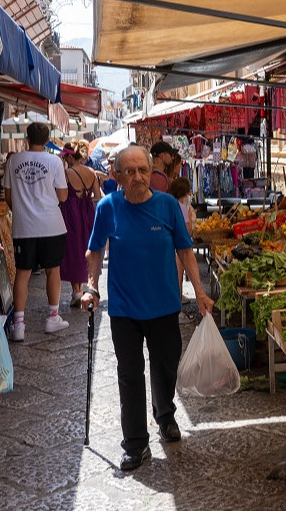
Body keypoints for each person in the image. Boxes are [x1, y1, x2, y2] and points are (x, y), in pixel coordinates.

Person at [79, 146, 214, 471]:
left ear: (151, 172)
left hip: (164, 304)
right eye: (130, 171)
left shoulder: (167, 206)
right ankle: (135, 443)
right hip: (124, 309)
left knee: (166, 367)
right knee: (129, 374)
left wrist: (199, 290)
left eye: (142, 170)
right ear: (117, 175)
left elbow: (184, 249)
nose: (137, 176)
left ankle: (165, 415)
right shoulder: (107, 207)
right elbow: (94, 251)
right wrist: (91, 287)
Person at [4, 122, 69, 340]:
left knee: (22, 273)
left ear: (27, 139)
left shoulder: (13, 161)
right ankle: (52, 318)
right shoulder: (54, 161)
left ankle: (19, 324)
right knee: (53, 271)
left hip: (24, 227)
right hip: (52, 224)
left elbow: (8, 197)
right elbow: (63, 196)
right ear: (48, 139)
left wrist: (23, 210)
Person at [60, 140, 101, 299]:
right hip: (87, 212)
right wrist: (84, 197)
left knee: (72, 249)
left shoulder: (66, 173)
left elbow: (62, 196)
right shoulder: (91, 172)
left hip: (70, 213)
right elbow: (97, 196)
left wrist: (75, 198)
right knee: (85, 247)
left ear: (70, 158)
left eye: (65, 157)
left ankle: (76, 291)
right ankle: (83, 286)